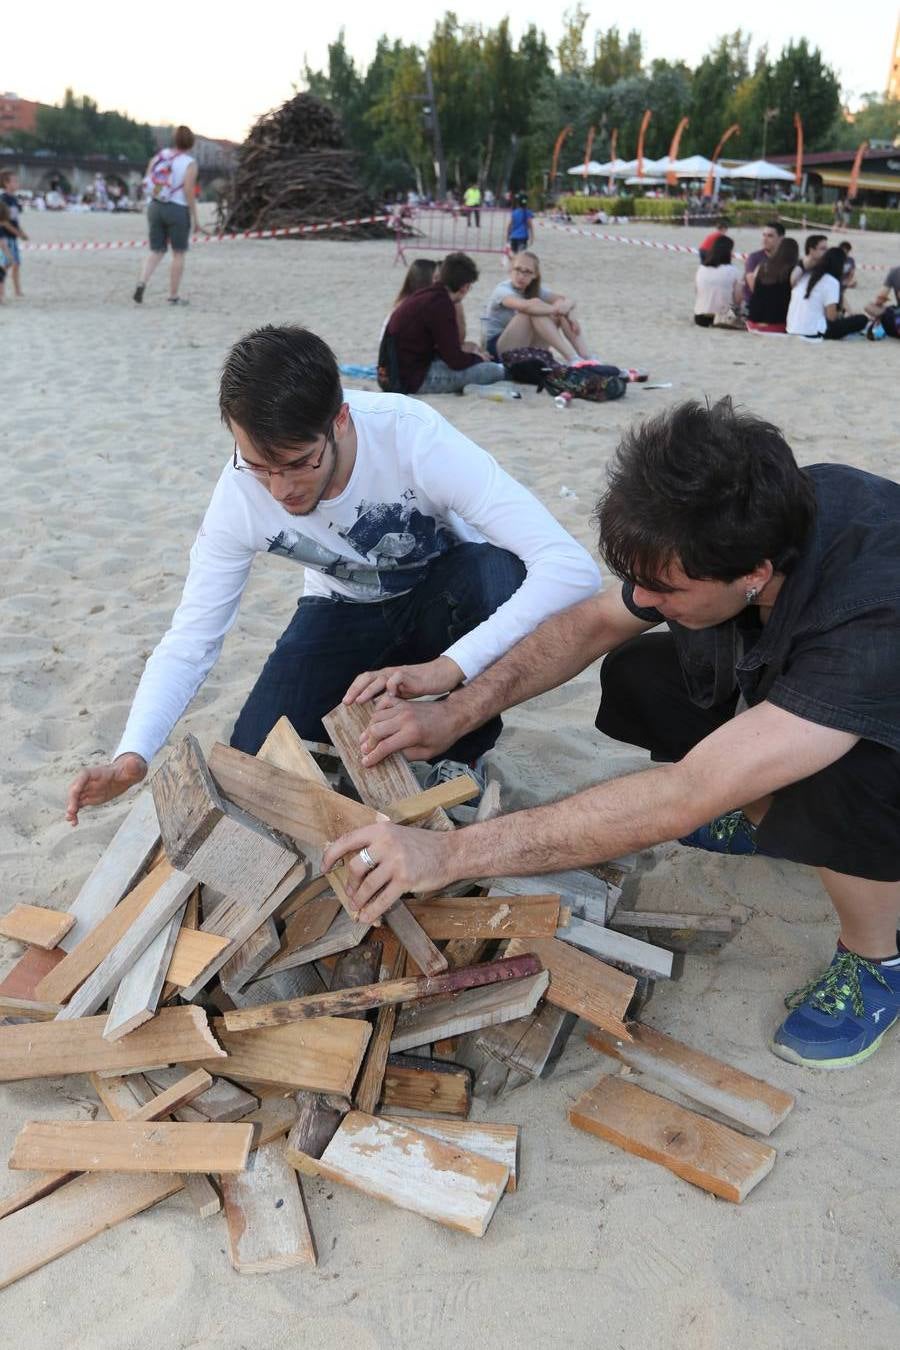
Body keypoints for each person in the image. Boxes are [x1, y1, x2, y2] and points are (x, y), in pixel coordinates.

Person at [324, 399, 900, 1072]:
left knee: (839, 769)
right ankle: (766, 818)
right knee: (641, 675)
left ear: (755, 576)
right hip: (819, 668)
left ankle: (878, 959)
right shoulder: (746, 519)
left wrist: (447, 855)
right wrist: (455, 710)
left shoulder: (871, 620)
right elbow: (593, 623)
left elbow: (686, 792)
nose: (644, 600)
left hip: (876, 712)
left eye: (667, 590)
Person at [65, 325, 600, 823]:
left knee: (499, 572)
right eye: (258, 466)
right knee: (250, 771)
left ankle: (460, 753)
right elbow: (191, 639)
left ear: (339, 421)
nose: (280, 490)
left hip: (443, 597)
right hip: (339, 613)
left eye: (299, 463)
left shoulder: (411, 437)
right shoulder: (238, 495)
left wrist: (448, 668)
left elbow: (573, 571)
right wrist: (133, 754)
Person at [382, 252, 505, 394]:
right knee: (492, 370)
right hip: (410, 380)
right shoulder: (441, 304)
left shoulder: (425, 295)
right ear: (465, 287)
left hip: (391, 374)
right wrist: (478, 359)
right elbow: (455, 360)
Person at [484, 251, 595, 362]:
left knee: (556, 308)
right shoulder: (502, 290)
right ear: (510, 269)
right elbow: (527, 307)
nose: (521, 276)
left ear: (535, 275)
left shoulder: (534, 290)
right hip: (497, 349)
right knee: (533, 310)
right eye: (518, 269)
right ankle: (571, 357)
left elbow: (566, 300)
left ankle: (586, 357)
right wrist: (559, 310)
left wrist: (569, 313)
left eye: (527, 272)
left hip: (524, 345)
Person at [133, 126, 201, 306]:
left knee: (156, 250)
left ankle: (142, 282)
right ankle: (173, 295)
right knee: (178, 253)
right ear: (191, 142)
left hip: (155, 206)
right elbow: (188, 191)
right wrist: (195, 217)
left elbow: (149, 181)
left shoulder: (160, 156)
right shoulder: (189, 163)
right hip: (177, 209)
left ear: (175, 139)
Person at [786, 247, 867, 340]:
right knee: (862, 319)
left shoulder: (805, 276)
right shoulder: (831, 282)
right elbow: (831, 317)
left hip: (792, 328)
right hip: (814, 331)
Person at [746, 237, 800, 332]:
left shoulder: (762, 266)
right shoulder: (793, 270)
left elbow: (755, 289)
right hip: (778, 322)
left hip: (752, 321)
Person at [693, 235, 743, 328]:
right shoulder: (734, 271)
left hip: (700, 317)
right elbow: (738, 299)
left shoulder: (701, 269)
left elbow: (697, 292)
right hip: (723, 317)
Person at [742, 221, 785, 307]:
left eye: (770, 236)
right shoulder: (754, 258)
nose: (764, 239)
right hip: (755, 306)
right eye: (764, 235)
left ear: (781, 238)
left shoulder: (787, 259)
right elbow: (754, 287)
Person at [0, 170, 28, 298]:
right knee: (7, 263)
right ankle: (2, 291)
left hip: (13, 236)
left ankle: (17, 290)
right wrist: (19, 233)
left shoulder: (14, 200)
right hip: (5, 236)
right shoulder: (3, 199)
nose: (17, 183)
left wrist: (21, 232)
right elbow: (4, 222)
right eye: (14, 181)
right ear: (6, 183)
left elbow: (15, 220)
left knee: (16, 263)